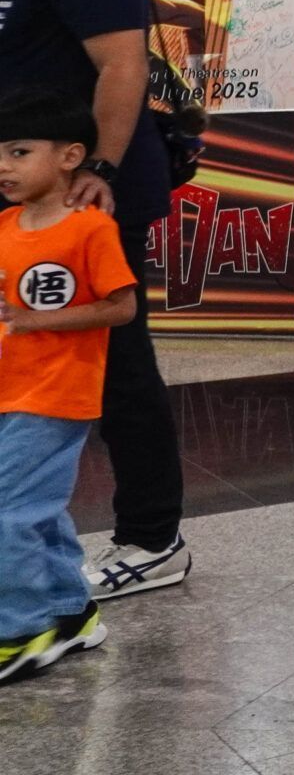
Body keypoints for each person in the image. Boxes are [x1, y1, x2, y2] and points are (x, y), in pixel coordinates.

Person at [0, 0, 187, 599]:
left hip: (84, 190)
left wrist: (99, 172)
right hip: (33, 185)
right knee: (40, 351)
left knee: (114, 361)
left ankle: (153, 536)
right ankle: (33, 529)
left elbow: (122, 64)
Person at [0, 91, 136, 684]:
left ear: (69, 156)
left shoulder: (89, 229)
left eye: (19, 152)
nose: (4, 166)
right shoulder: (4, 226)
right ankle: (70, 611)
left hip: (57, 395)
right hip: (9, 390)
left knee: (8, 511)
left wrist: (37, 321)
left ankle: (22, 630)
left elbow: (122, 307)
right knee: (36, 508)